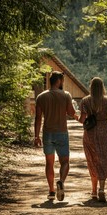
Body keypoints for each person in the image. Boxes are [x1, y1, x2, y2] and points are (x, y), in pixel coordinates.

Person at [34, 71, 78, 201]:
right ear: (59, 81)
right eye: (62, 80)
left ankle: (51, 191)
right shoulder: (66, 95)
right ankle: (61, 182)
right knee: (65, 162)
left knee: (49, 163)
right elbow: (71, 113)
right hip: (61, 133)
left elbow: (38, 118)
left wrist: (36, 136)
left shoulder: (41, 97)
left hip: (47, 133)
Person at [78, 77, 107, 202]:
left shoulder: (85, 101)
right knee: (103, 159)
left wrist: (76, 117)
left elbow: (82, 120)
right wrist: (104, 121)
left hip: (90, 134)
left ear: (91, 86)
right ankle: (102, 188)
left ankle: (94, 192)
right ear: (102, 87)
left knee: (93, 160)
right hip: (104, 133)